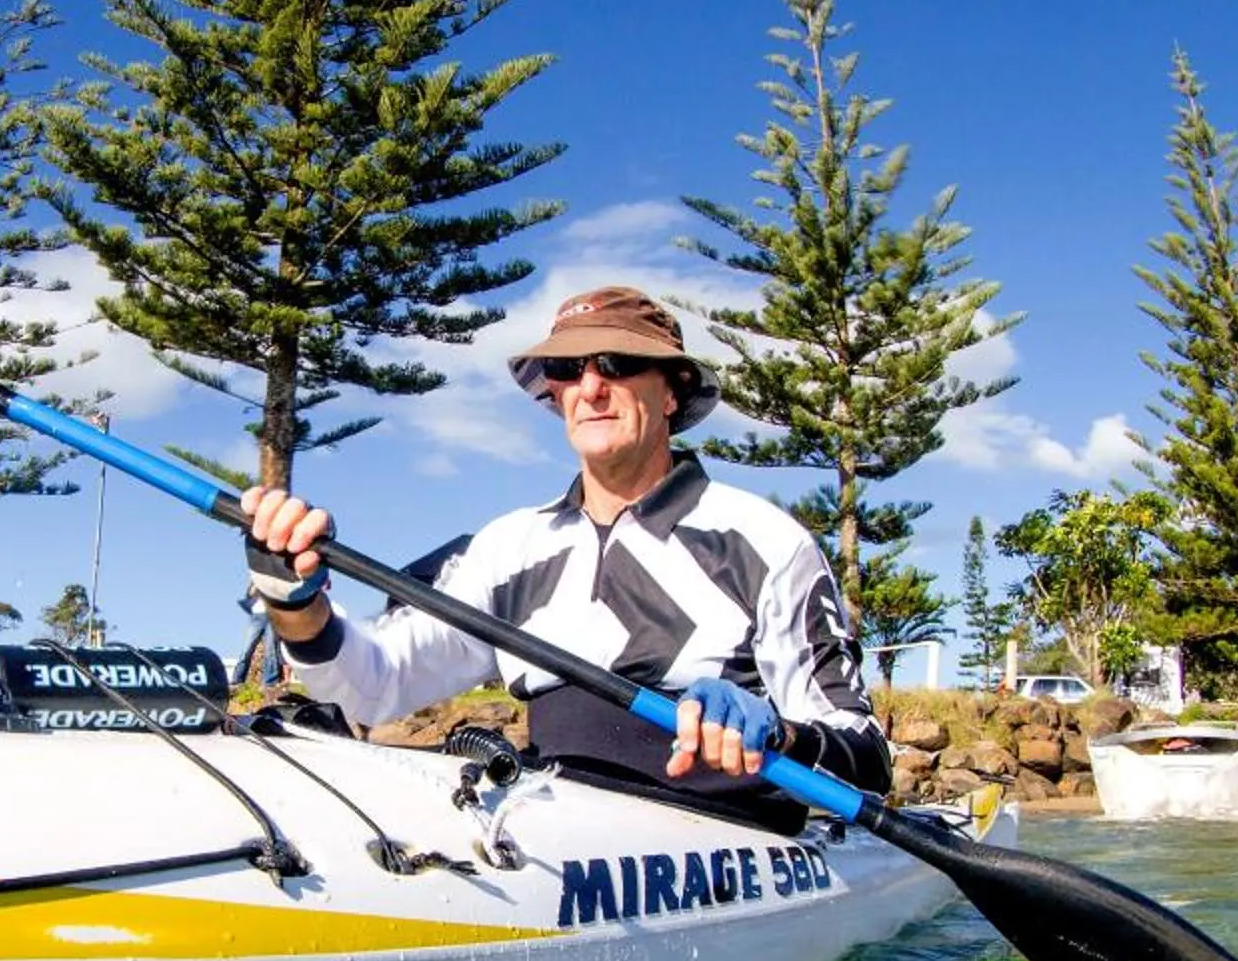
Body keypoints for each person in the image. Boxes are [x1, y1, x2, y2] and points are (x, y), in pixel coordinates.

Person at [242, 285, 892, 826]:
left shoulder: (765, 539)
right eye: (566, 369)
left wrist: (778, 734)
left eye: (614, 362)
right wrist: (294, 600)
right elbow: (374, 688)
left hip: (737, 842)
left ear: (672, 391)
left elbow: (870, 760)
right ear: (553, 395)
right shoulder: (506, 548)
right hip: (559, 836)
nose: (590, 387)